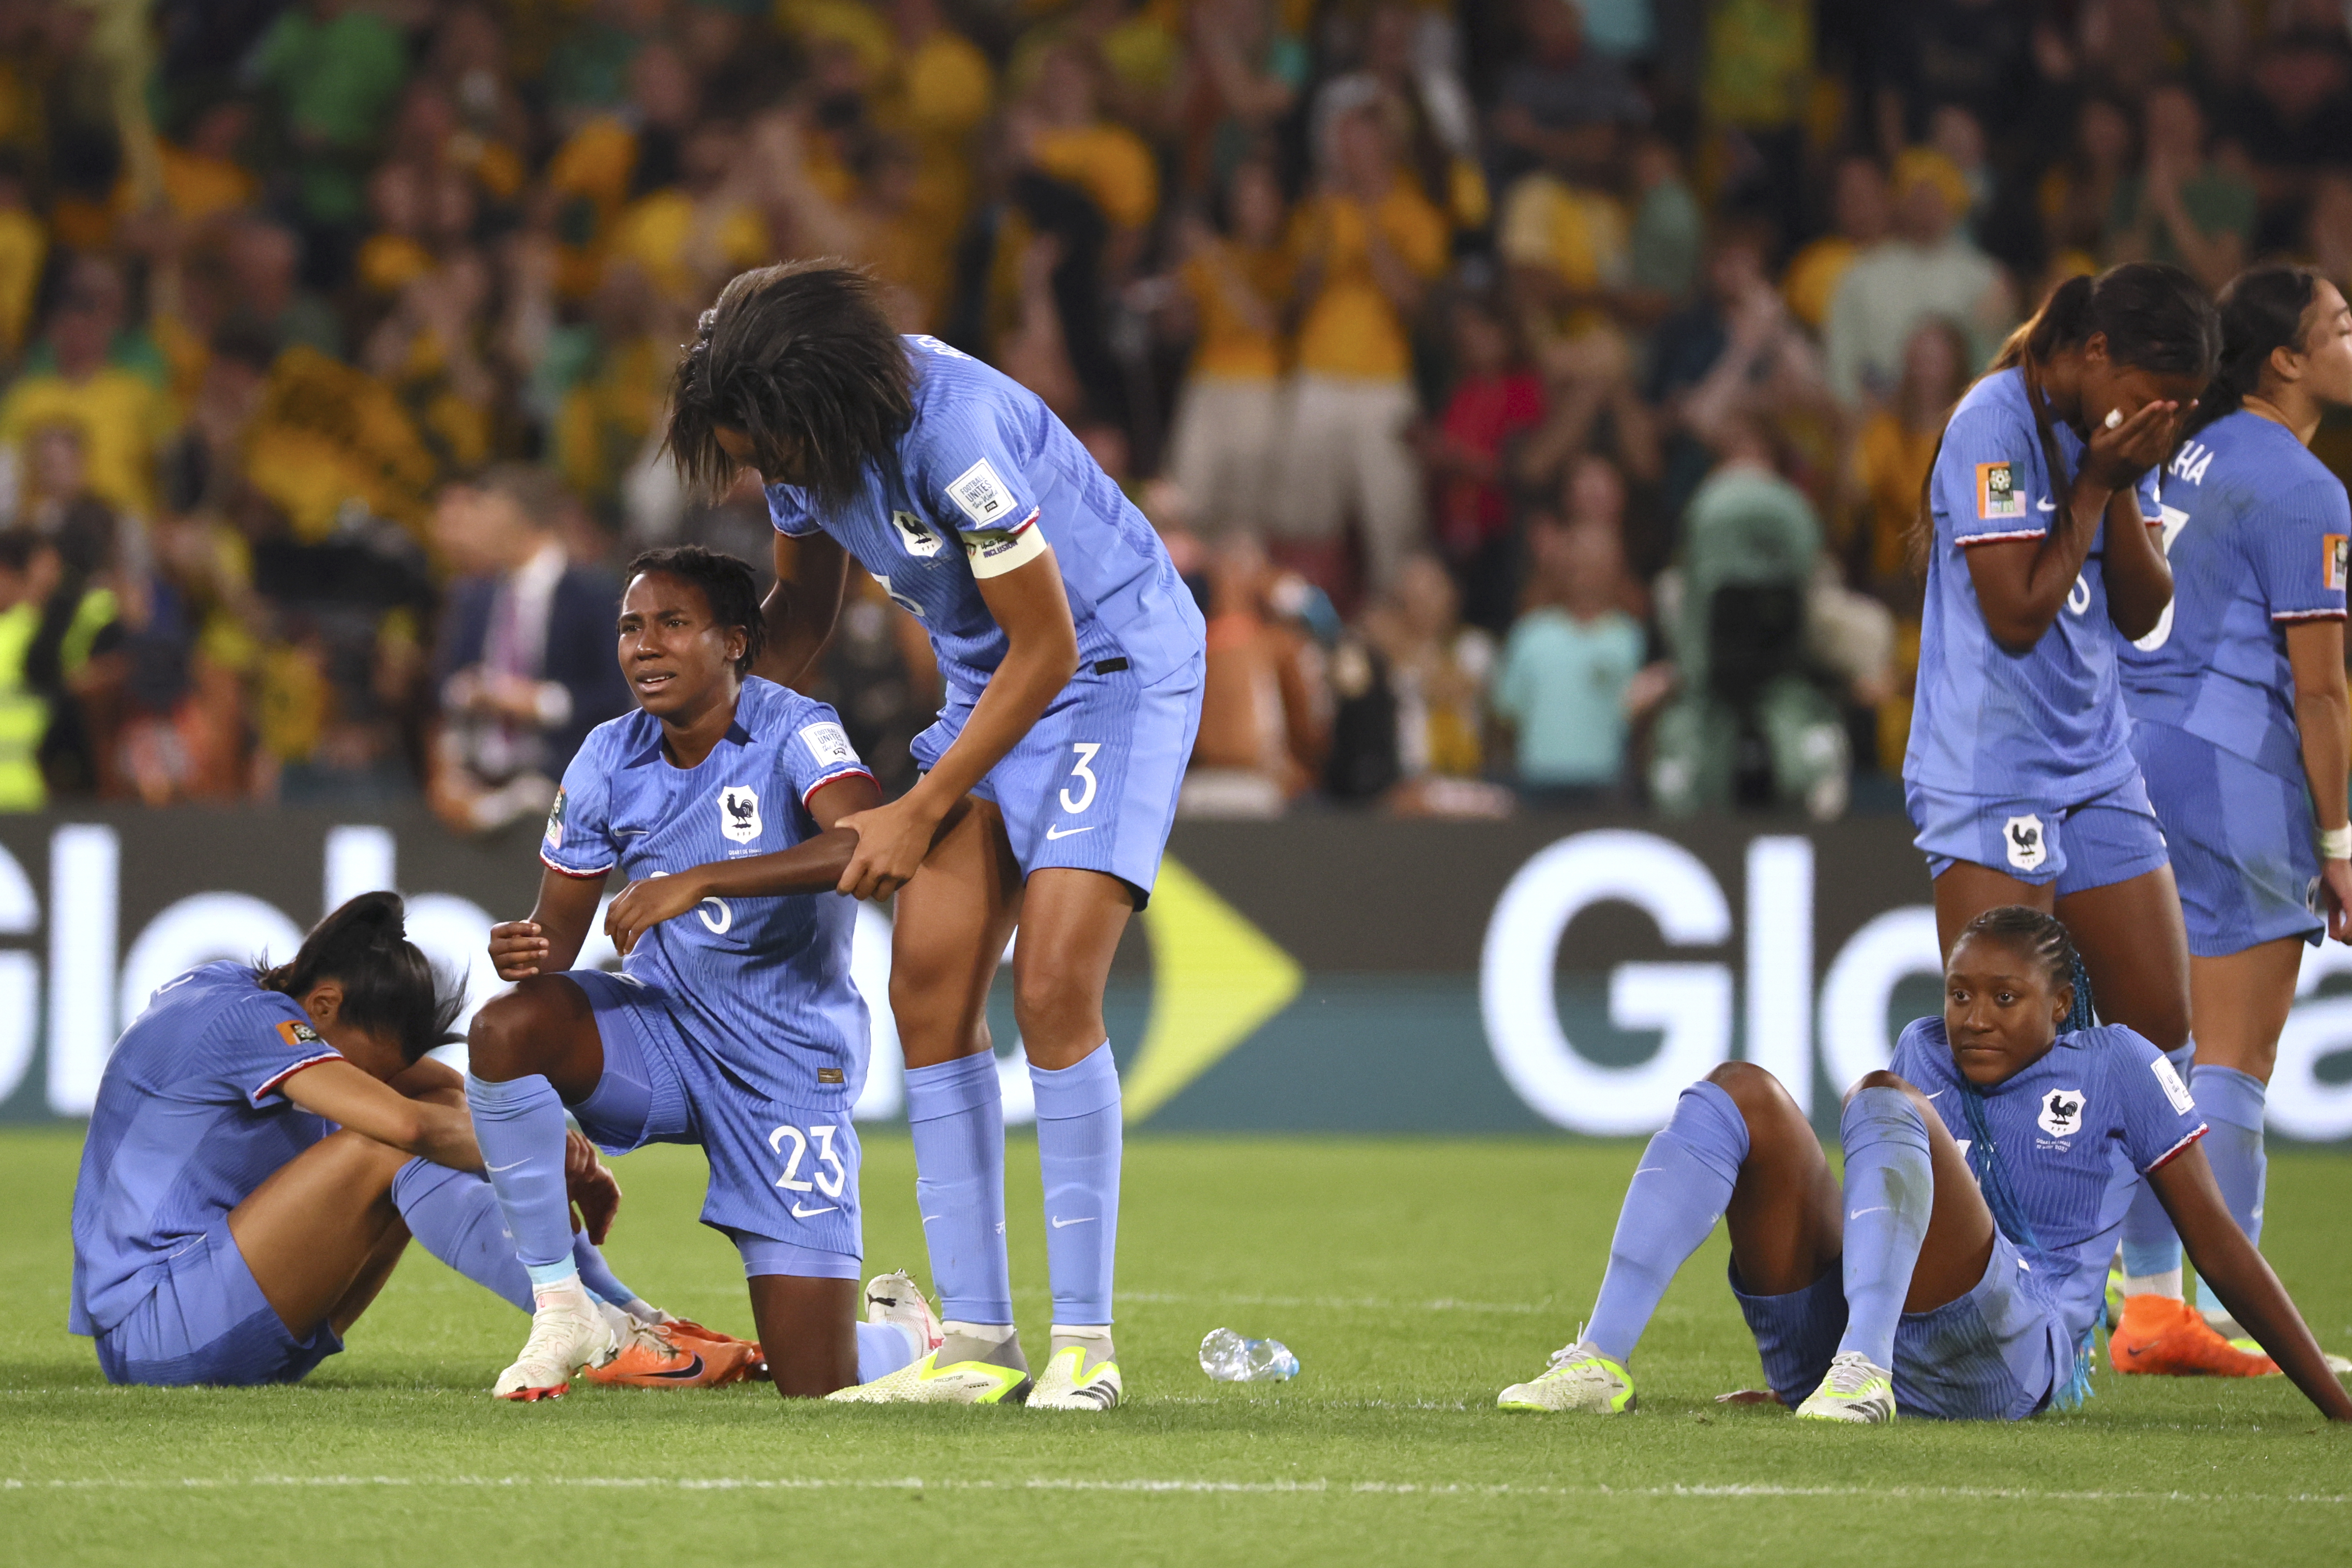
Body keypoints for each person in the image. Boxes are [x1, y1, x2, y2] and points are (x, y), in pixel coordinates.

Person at [665, 262, 1210, 1410]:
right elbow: (803, 621)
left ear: (808, 409)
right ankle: (975, 1342)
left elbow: (1052, 647)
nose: (763, 475)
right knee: (926, 988)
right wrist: (696, 720)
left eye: (763, 452)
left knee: (1055, 987)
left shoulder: (950, 429)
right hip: (989, 684)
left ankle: (1088, 1349)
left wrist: (918, 806)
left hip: (1110, 670)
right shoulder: (803, 438)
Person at [1495, 906, 2352, 1424]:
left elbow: (2217, 1243)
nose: (1972, 1018)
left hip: (2016, 1359)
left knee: (1881, 1098)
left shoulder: (2120, 1063)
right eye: (1958, 993)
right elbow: (1882, 1190)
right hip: (1871, 1346)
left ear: (2060, 1005)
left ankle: (1865, 1371)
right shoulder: (1924, 1048)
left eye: (2004, 999)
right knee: (1741, 1091)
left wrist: (2332, 1398)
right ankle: (1597, 1362)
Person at [466, 544, 942, 1401]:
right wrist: (524, 950)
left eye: (671, 625)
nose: (644, 647)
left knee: (815, 1386)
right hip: (669, 1038)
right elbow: (556, 943)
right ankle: (563, 1302)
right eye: (630, 629)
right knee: (508, 1028)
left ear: (734, 640)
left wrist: (703, 877)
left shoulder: (796, 727)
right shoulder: (608, 756)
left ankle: (904, 1337)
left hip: (788, 1068)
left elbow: (869, 844)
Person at [1904, 261, 2240, 1362]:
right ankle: (1994, 1301)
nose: (2161, 416)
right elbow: (2011, 614)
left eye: (2179, 407)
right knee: (1992, 1041)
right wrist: (2093, 485)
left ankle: (2151, 1306)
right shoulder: (1989, 425)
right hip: (1985, 773)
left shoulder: (2118, 439)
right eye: (2151, 391)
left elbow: (2142, 615)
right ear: (2094, 354)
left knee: (2154, 1034)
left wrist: (2127, 482)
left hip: (2095, 765)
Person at [67, 891, 747, 1390]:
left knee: (436, 1111)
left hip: (242, 1321)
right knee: (390, 1139)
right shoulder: (240, 1020)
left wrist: (559, 1151)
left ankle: (628, 1315)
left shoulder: (291, 1012)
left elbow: (450, 1098)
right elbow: (407, 1127)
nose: (370, 1078)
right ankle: (606, 1337)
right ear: (326, 1004)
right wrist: (542, 1157)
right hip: (156, 1328)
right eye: (371, 1062)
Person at [2115, 265, 2352, 1367]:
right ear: (2284, 361)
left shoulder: (2181, 454)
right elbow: (2319, 689)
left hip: (2126, 753)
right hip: (2230, 765)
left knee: (2151, 1045)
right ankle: (2216, 1317)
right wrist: (2339, 843)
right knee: (2234, 1053)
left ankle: (2150, 1303)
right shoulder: (2302, 487)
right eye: (2340, 325)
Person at [429, 464, 633, 834]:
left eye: (484, 518)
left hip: (560, 784)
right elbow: (444, 684)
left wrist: (539, 702)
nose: (472, 532)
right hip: (478, 782)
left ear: (516, 523)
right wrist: (469, 693)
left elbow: (616, 695)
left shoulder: (593, 596)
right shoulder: (475, 597)